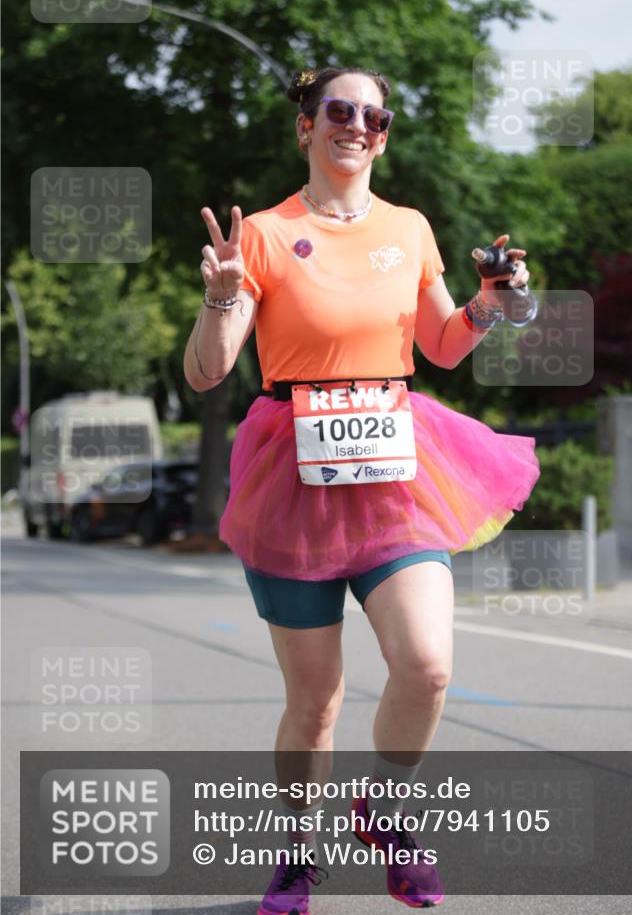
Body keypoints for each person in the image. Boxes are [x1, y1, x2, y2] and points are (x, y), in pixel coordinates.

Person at [184, 66, 540, 914]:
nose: (356, 126)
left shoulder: (408, 227)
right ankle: (296, 857)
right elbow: (206, 373)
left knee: (427, 665)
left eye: (372, 117)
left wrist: (488, 304)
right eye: (338, 111)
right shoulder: (263, 235)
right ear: (304, 126)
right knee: (315, 703)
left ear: (382, 135)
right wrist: (220, 298)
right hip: (291, 477)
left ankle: (384, 809)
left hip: (395, 471)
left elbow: (442, 346)